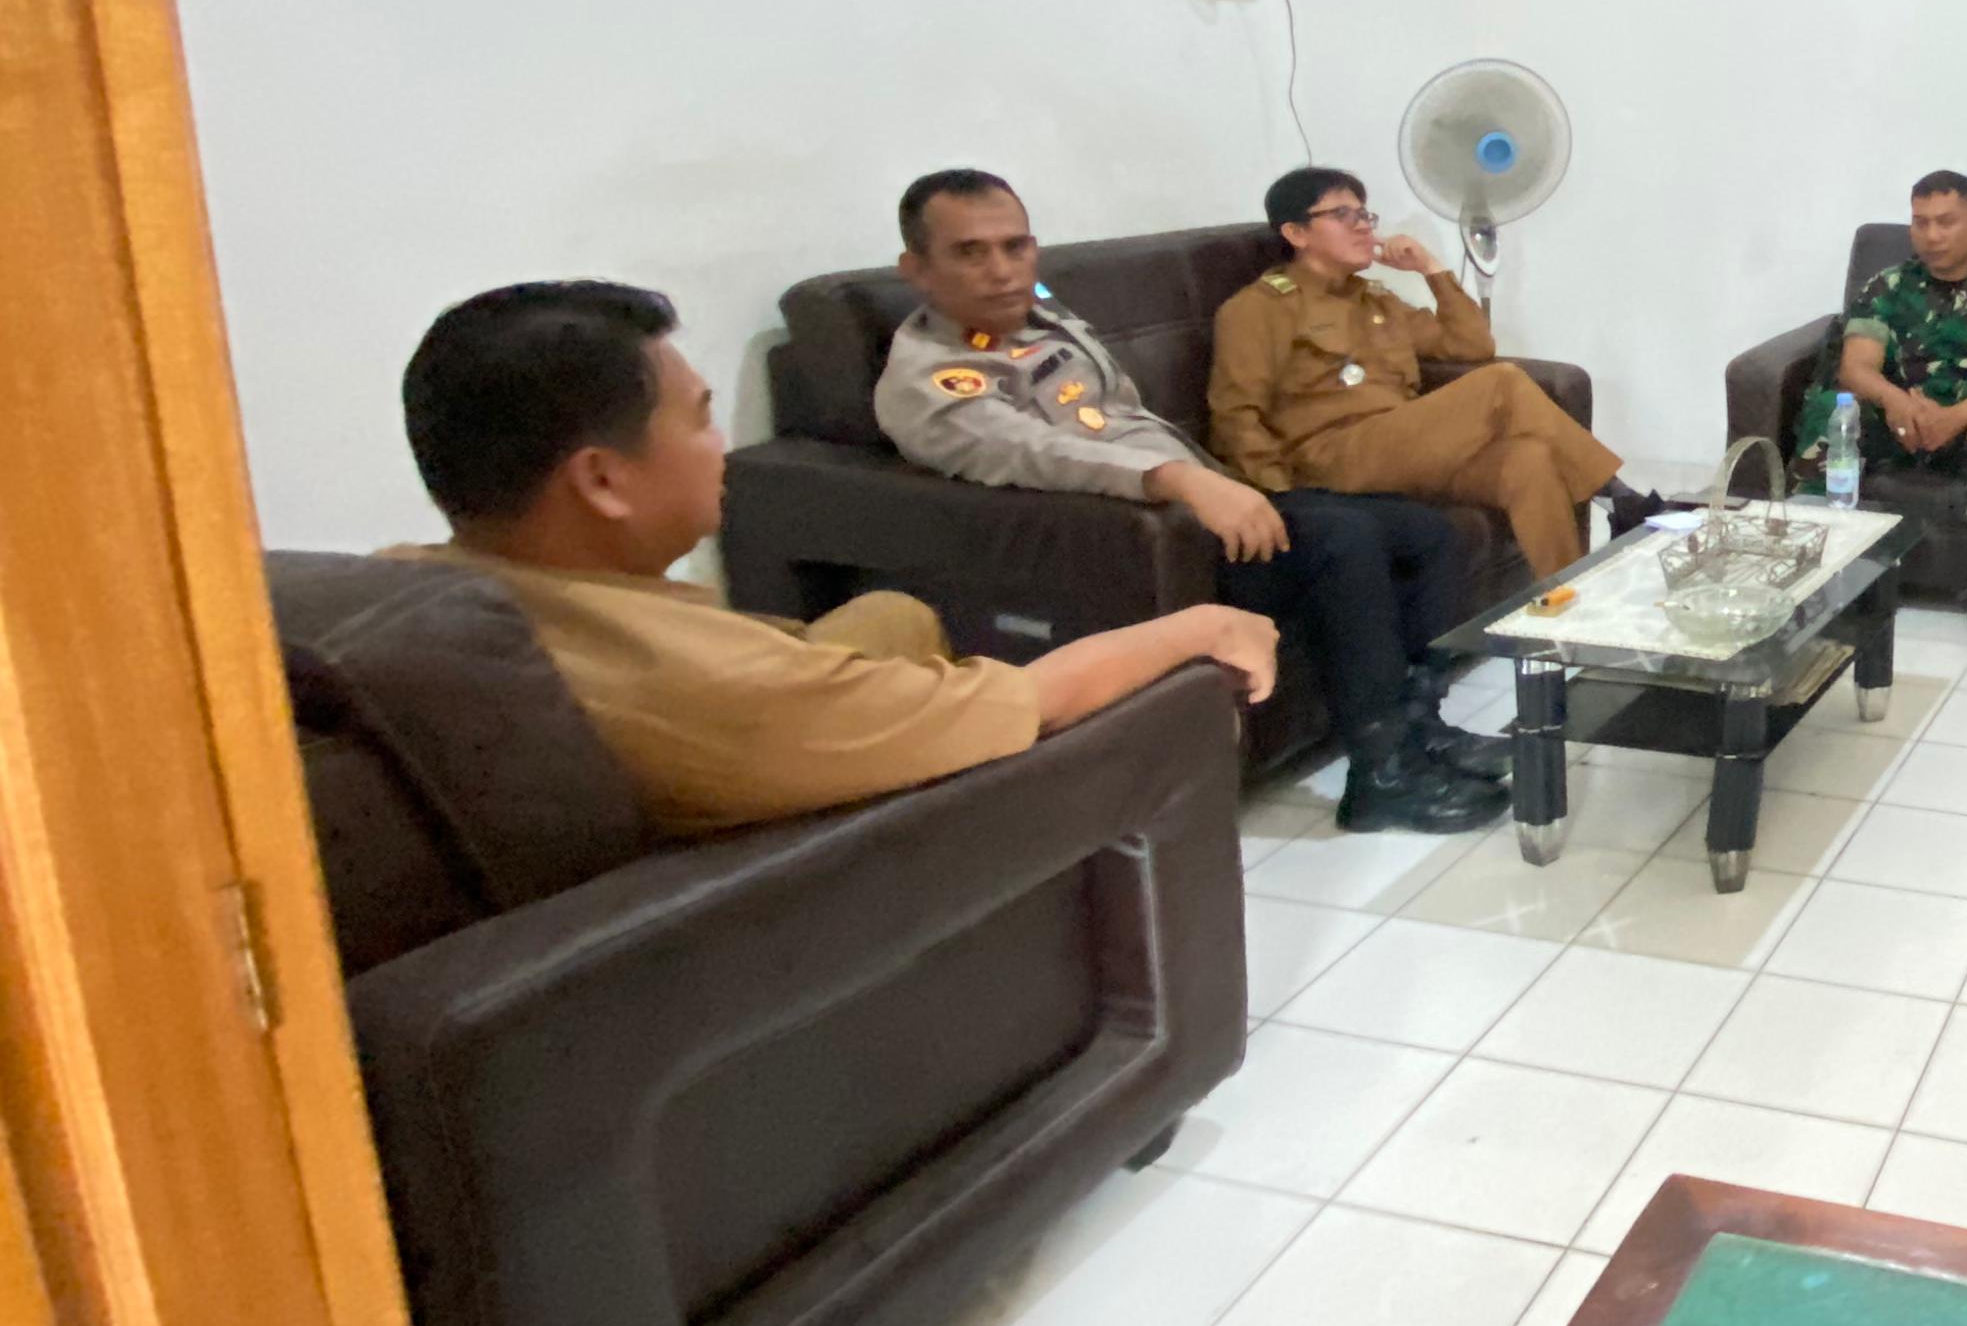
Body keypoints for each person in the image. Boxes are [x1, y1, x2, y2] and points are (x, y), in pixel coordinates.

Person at [392, 281, 1274, 835]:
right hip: (808, 885)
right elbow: (1033, 703)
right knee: (1168, 698)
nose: (722, 444)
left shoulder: (410, 583)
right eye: (700, 418)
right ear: (602, 480)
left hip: (757, 710)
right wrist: (1201, 627)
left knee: (895, 615)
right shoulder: (726, 688)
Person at [876, 168, 1506, 834]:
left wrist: (1216, 480)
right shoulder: (930, 381)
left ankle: (1420, 727)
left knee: (1425, 532)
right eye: (970, 252)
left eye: (1016, 246)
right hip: (1144, 536)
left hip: (1205, 498)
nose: (1003, 271)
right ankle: (1383, 775)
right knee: (1342, 540)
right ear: (916, 270)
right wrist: (1181, 480)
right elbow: (1038, 452)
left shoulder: (1039, 312)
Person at [1204, 164, 1651, 583]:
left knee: (1528, 460)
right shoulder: (1258, 309)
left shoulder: (1376, 301)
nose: (1363, 226)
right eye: (1342, 215)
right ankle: (1621, 498)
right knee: (1502, 382)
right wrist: (1284, 498)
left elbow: (1471, 345)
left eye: (1364, 214)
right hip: (1332, 459)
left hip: (1399, 449)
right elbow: (1236, 414)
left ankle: (1573, 603)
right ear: (1296, 232)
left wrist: (1431, 270)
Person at [1791, 170, 1967, 658]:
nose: (1932, 235)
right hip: (1898, 420)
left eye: (1946, 221)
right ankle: (1809, 574)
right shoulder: (1888, 285)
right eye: (1920, 222)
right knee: (1831, 407)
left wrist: (1954, 417)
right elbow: (1857, 367)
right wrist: (1897, 403)